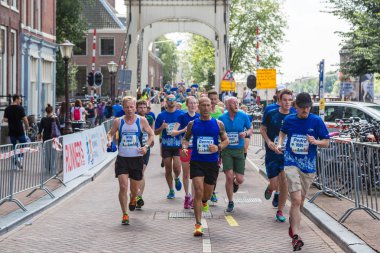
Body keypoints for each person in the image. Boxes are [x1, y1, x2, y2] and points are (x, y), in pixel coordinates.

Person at [274, 92, 329, 251]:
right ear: (295, 106)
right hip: (291, 162)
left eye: (308, 107)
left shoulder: (316, 121)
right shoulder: (290, 119)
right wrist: (280, 143)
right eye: (302, 107)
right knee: (296, 200)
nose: (305, 110)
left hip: (308, 167)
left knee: (300, 202)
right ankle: (296, 237)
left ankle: (293, 225)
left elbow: (326, 142)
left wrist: (316, 141)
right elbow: (282, 132)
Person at [182, 97, 229, 236]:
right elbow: (186, 138)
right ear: (198, 107)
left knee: (206, 194)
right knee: (197, 190)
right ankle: (198, 224)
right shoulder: (192, 124)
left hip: (212, 162)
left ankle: (204, 201)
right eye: (203, 105)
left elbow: (226, 140)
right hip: (197, 161)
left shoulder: (218, 124)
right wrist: (184, 147)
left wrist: (218, 147)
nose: (206, 107)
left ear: (211, 106)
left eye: (208, 105)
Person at [106, 96, 154, 225]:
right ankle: (125, 214)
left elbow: (151, 134)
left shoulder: (141, 120)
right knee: (123, 186)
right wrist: (109, 141)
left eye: (132, 107)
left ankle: (133, 198)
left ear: (135, 108)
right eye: (127, 107)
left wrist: (146, 147)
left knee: (134, 190)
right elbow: (110, 133)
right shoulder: (118, 121)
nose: (129, 109)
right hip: (122, 159)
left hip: (136, 159)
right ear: (123, 108)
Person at [260, 89, 293, 223]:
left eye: (289, 100)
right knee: (274, 184)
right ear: (279, 100)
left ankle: (280, 210)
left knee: (284, 180)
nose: (287, 102)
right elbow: (262, 129)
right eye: (284, 100)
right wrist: (268, 142)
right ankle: (270, 189)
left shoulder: (294, 115)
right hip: (272, 153)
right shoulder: (271, 113)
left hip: (287, 154)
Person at [219, 97, 252, 212]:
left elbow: (250, 128)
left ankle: (235, 183)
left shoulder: (243, 116)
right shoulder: (222, 118)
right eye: (233, 103)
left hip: (239, 150)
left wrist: (246, 132)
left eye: (237, 102)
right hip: (227, 150)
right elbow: (218, 132)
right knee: (228, 176)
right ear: (227, 106)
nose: (236, 104)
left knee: (240, 179)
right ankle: (230, 202)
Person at [171, 96, 200, 209]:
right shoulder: (182, 117)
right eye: (191, 103)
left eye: (195, 103)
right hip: (185, 149)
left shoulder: (199, 117)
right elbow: (173, 132)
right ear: (187, 105)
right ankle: (187, 196)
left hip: (196, 149)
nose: (193, 105)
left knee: (195, 175)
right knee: (186, 174)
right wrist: (183, 130)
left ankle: (193, 198)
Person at [154, 94, 184, 199]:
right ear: (166, 102)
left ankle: (176, 178)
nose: (171, 101)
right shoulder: (161, 116)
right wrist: (162, 127)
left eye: (173, 100)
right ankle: (171, 190)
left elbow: (187, 128)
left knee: (177, 167)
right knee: (167, 168)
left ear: (176, 102)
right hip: (166, 145)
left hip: (177, 145)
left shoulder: (181, 114)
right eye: (169, 100)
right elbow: (155, 132)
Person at [135, 100, 155, 209]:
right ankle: (135, 193)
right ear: (136, 108)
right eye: (140, 107)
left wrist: (150, 142)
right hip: (133, 149)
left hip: (145, 149)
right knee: (134, 174)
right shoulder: (132, 118)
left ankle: (139, 197)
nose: (143, 109)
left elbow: (151, 132)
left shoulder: (150, 118)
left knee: (141, 172)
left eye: (144, 107)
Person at [208, 90, 223, 203]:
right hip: (203, 145)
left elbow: (224, 128)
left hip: (217, 145)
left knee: (215, 170)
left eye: (215, 99)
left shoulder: (221, 111)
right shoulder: (202, 111)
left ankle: (212, 191)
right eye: (211, 99)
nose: (213, 101)